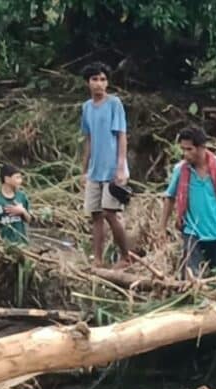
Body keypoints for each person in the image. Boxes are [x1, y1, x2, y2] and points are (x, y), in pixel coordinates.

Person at [161, 127, 216, 276]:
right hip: (192, 232)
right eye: (183, 149)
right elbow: (170, 198)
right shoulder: (181, 170)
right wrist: (162, 227)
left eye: (189, 149)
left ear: (202, 147)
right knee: (191, 277)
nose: (185, 154)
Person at [80, 61, 132, 268]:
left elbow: (121, 135)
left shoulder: (114, 104)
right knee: (96, 215)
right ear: (88, 83)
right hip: (94, 170)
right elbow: (89, 139)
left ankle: (126, 256)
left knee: (111, 213)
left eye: (103, 79)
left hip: (112, 169)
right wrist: (83, 169)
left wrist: (120, 166)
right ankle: (98, 260)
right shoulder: (86, 107)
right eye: (95, 79)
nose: (99, 84)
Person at [0, 164, 31, 245]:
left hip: (21, 243)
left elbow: (29, 220)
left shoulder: (21, 196)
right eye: (17, 177)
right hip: (4, 244)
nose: (20, 181)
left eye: (20, 177)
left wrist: (22, 211)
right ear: (7, 179)